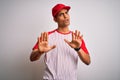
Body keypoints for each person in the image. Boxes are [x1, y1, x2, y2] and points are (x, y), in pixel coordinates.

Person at [30, 3, 91, 80]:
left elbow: (88, 61)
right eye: (61, 14)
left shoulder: (76, 38)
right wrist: (39, 52)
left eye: (66, 13)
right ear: (55, 19)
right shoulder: (47, 36)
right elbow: (32, 58)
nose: (66, 16)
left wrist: (78, 48)